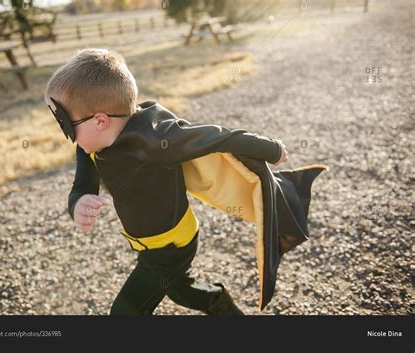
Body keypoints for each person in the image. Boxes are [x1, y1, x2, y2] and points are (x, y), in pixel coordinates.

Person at [44, 48, 288, 315]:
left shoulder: (156, 140)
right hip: (148, 244)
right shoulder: (89, 147)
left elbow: (219, 137)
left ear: (100, 121)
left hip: (172, 246)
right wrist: (78, 204)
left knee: (126, 312)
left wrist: (271, 149)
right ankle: (218, 303)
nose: (68, 136)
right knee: (179, 290)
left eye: (66, 126)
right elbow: (81, 187)